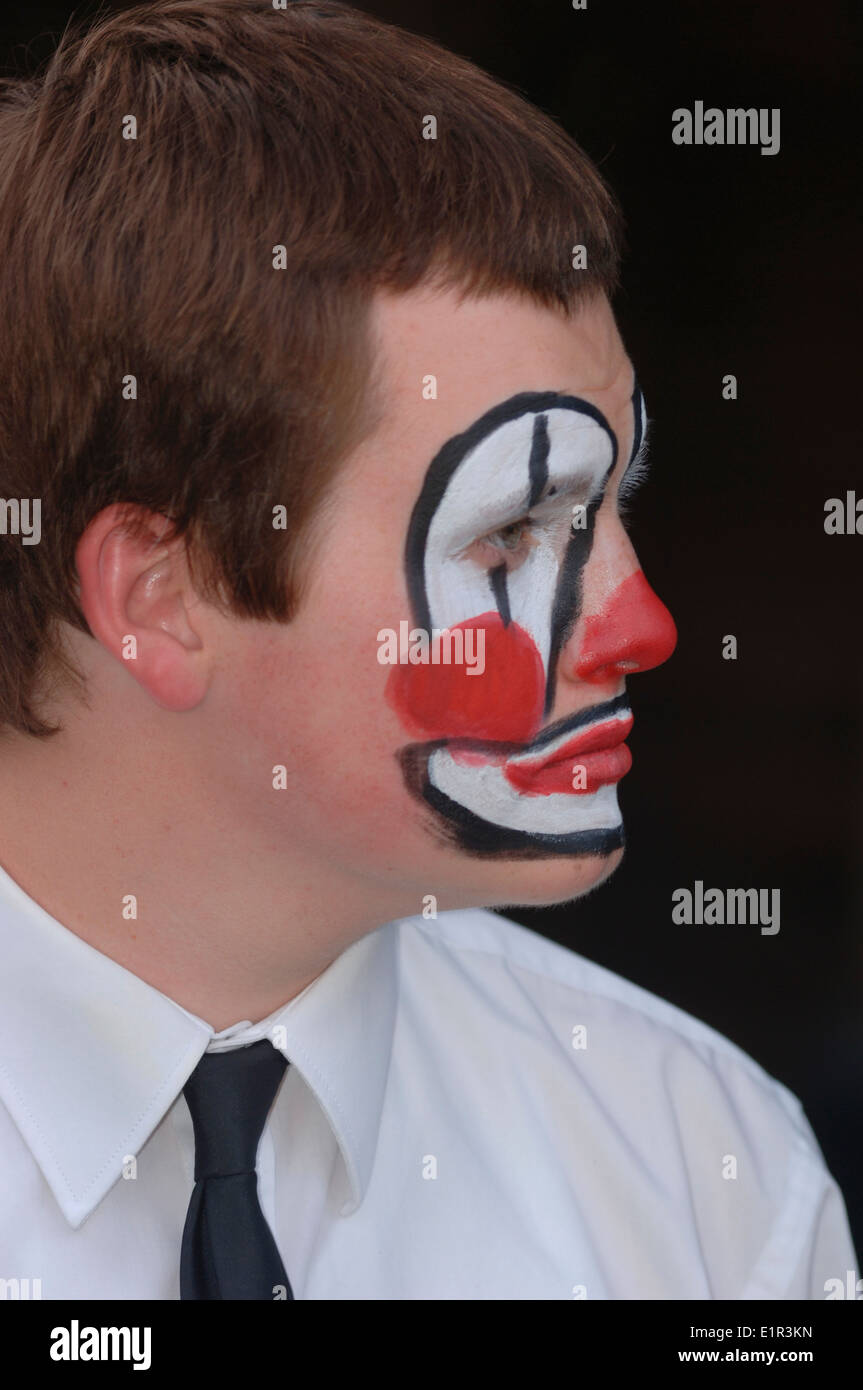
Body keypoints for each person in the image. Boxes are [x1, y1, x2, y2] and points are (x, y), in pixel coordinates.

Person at [0, 0, 855, 1300]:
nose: (645, 624)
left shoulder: (697, 1172)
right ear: (158, 598)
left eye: (612, 505)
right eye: (514, 534)